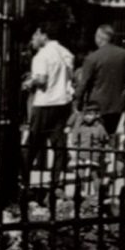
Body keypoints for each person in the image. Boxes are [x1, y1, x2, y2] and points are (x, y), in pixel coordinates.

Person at [21, 23, 75, 185]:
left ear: (42, 34)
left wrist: (29, 82)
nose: (33, 40)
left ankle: (24, 180)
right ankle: (56, 180)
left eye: (34, 36)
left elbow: (42, 79)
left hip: (44, 103)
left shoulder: (41, 56)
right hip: (61, 103)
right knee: (58, 145)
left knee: (32, 144)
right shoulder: (65, 53)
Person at [75, 24, 125, 134]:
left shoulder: (92, 58)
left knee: (95, 139)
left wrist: (77, 102)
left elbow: (84, 83)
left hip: (96, 106)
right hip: (119, 105)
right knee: (111, 135)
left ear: (99, 37)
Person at [66, 101, 110, 195]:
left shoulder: (100, 127)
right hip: (81, 154)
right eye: (86, 114)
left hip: (94, 155)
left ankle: (97, 194)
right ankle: (80, 192)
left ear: (97, 115)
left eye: (90, 114)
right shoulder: (81, 127)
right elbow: (74, 140)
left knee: (95, 175)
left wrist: (107, 155)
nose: (87, 117)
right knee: (80, 174)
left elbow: (105, 141)